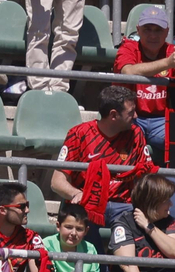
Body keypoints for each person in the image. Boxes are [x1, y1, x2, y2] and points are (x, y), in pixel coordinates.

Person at [51, 85, 155, 232]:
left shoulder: (136, 134)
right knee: (81, 221)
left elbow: (148, 177)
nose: (136, 116)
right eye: (131, 112)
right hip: (88, 205)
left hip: (124, 207)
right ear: (113, 115)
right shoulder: (79, 134)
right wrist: (77, 194)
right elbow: (57, 182)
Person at [115, 4, 175, 150]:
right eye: (147, 29)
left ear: (167, 32)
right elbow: (128, 71)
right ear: (138, 30)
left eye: (158, 30)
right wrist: (168, 63)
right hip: (131, 118)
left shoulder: (172, 51)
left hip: (163, 120)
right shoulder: (129, 48)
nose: (153, 35)